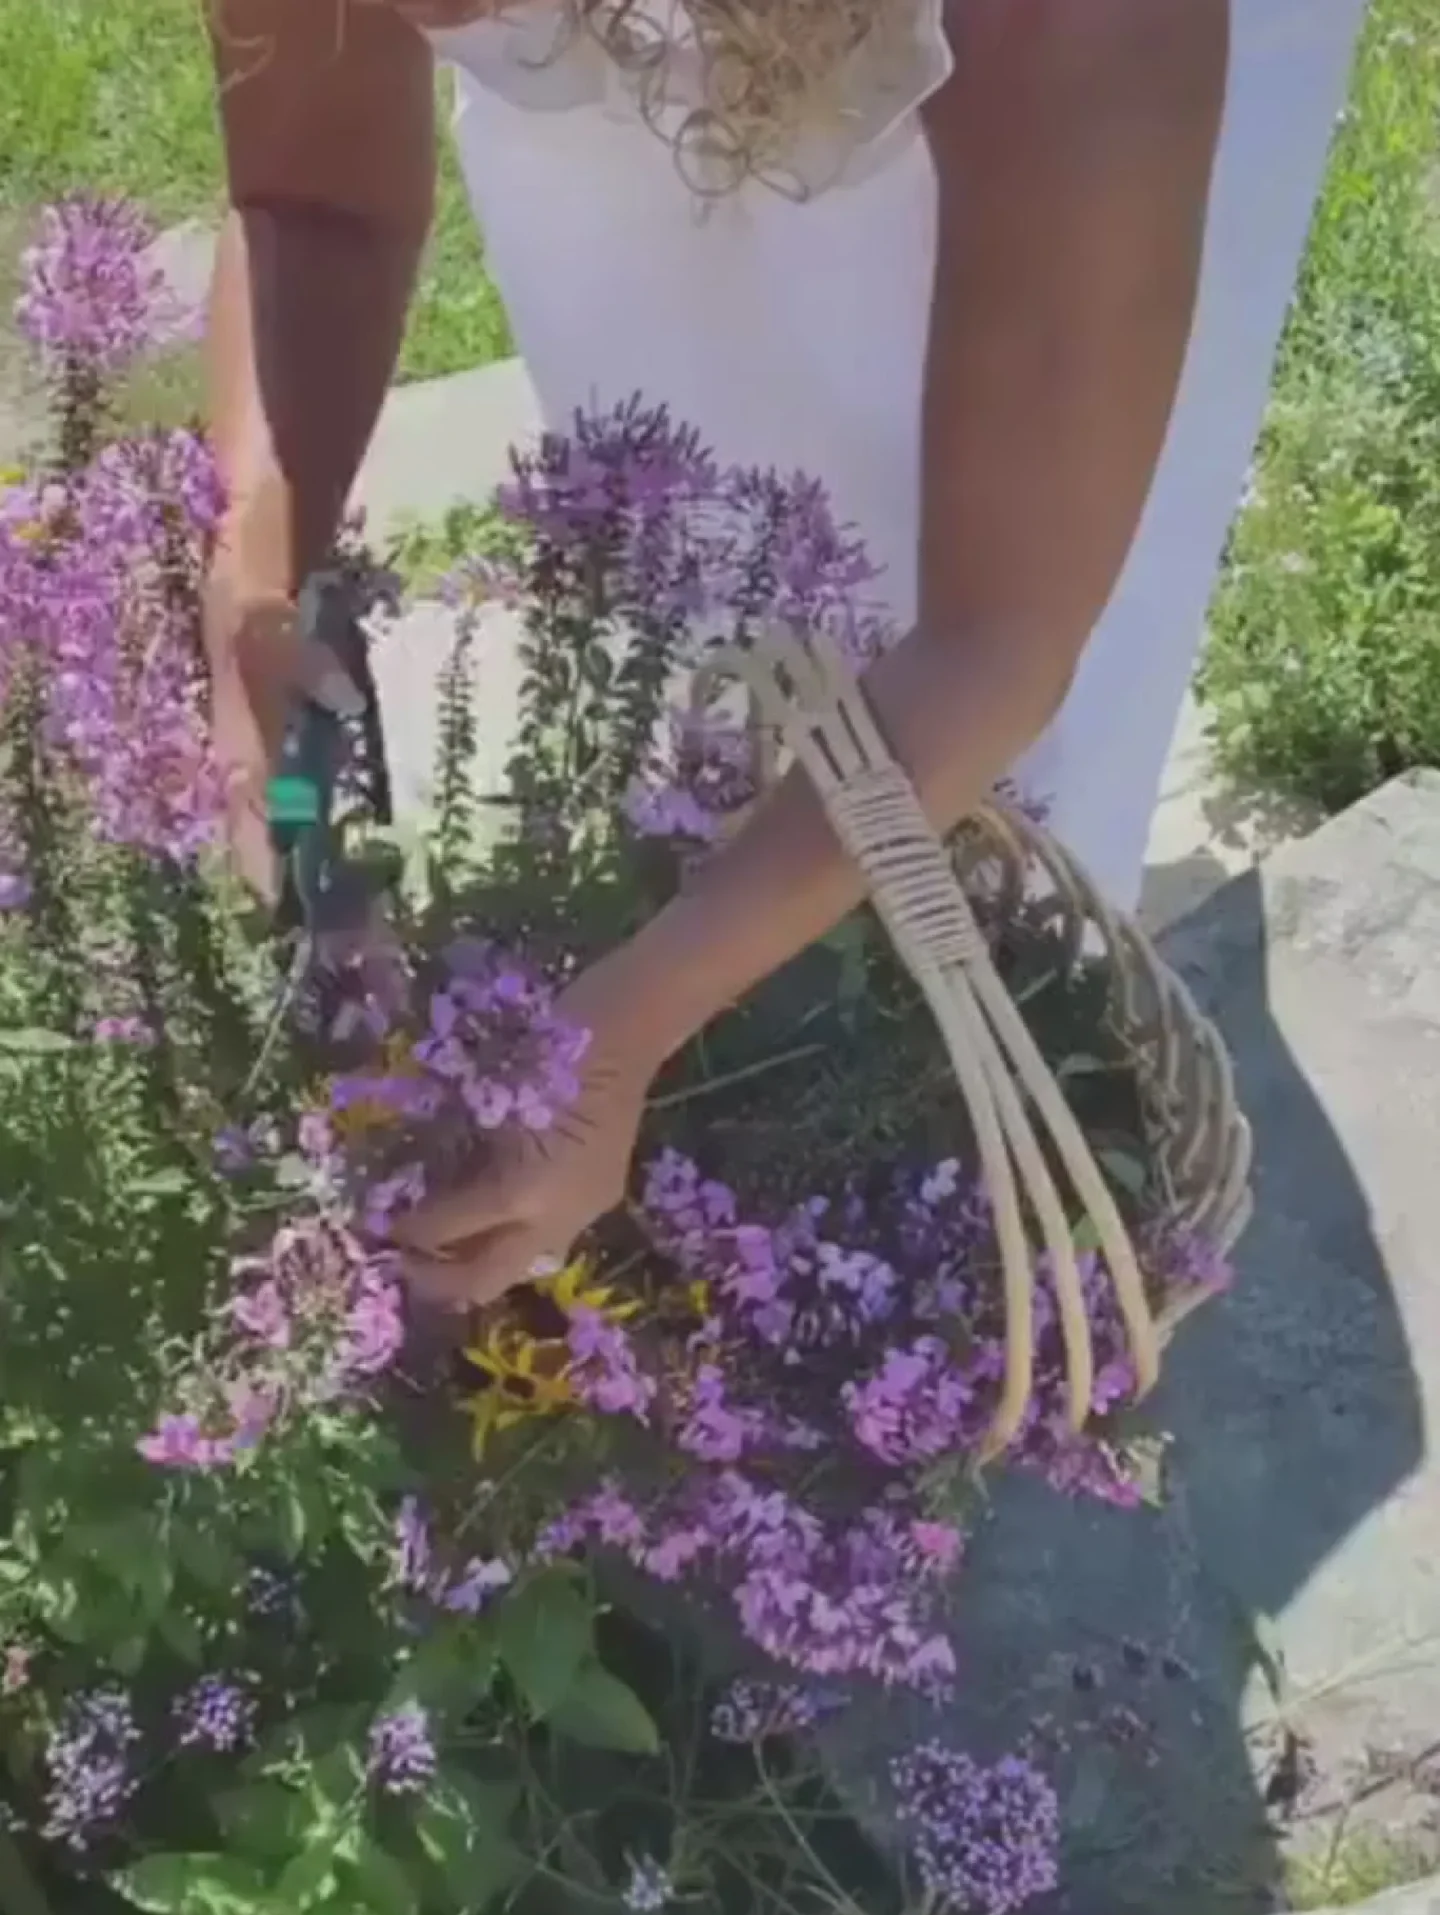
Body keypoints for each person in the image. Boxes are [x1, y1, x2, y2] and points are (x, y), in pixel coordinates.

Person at [204, 0, 1368, 1308]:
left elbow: (998, 638)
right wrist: (252, 570)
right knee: (706, 588)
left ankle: (1006, 1075)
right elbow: (317, 204)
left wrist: (612, 1041)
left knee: (1020, 787)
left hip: (1060, 87)